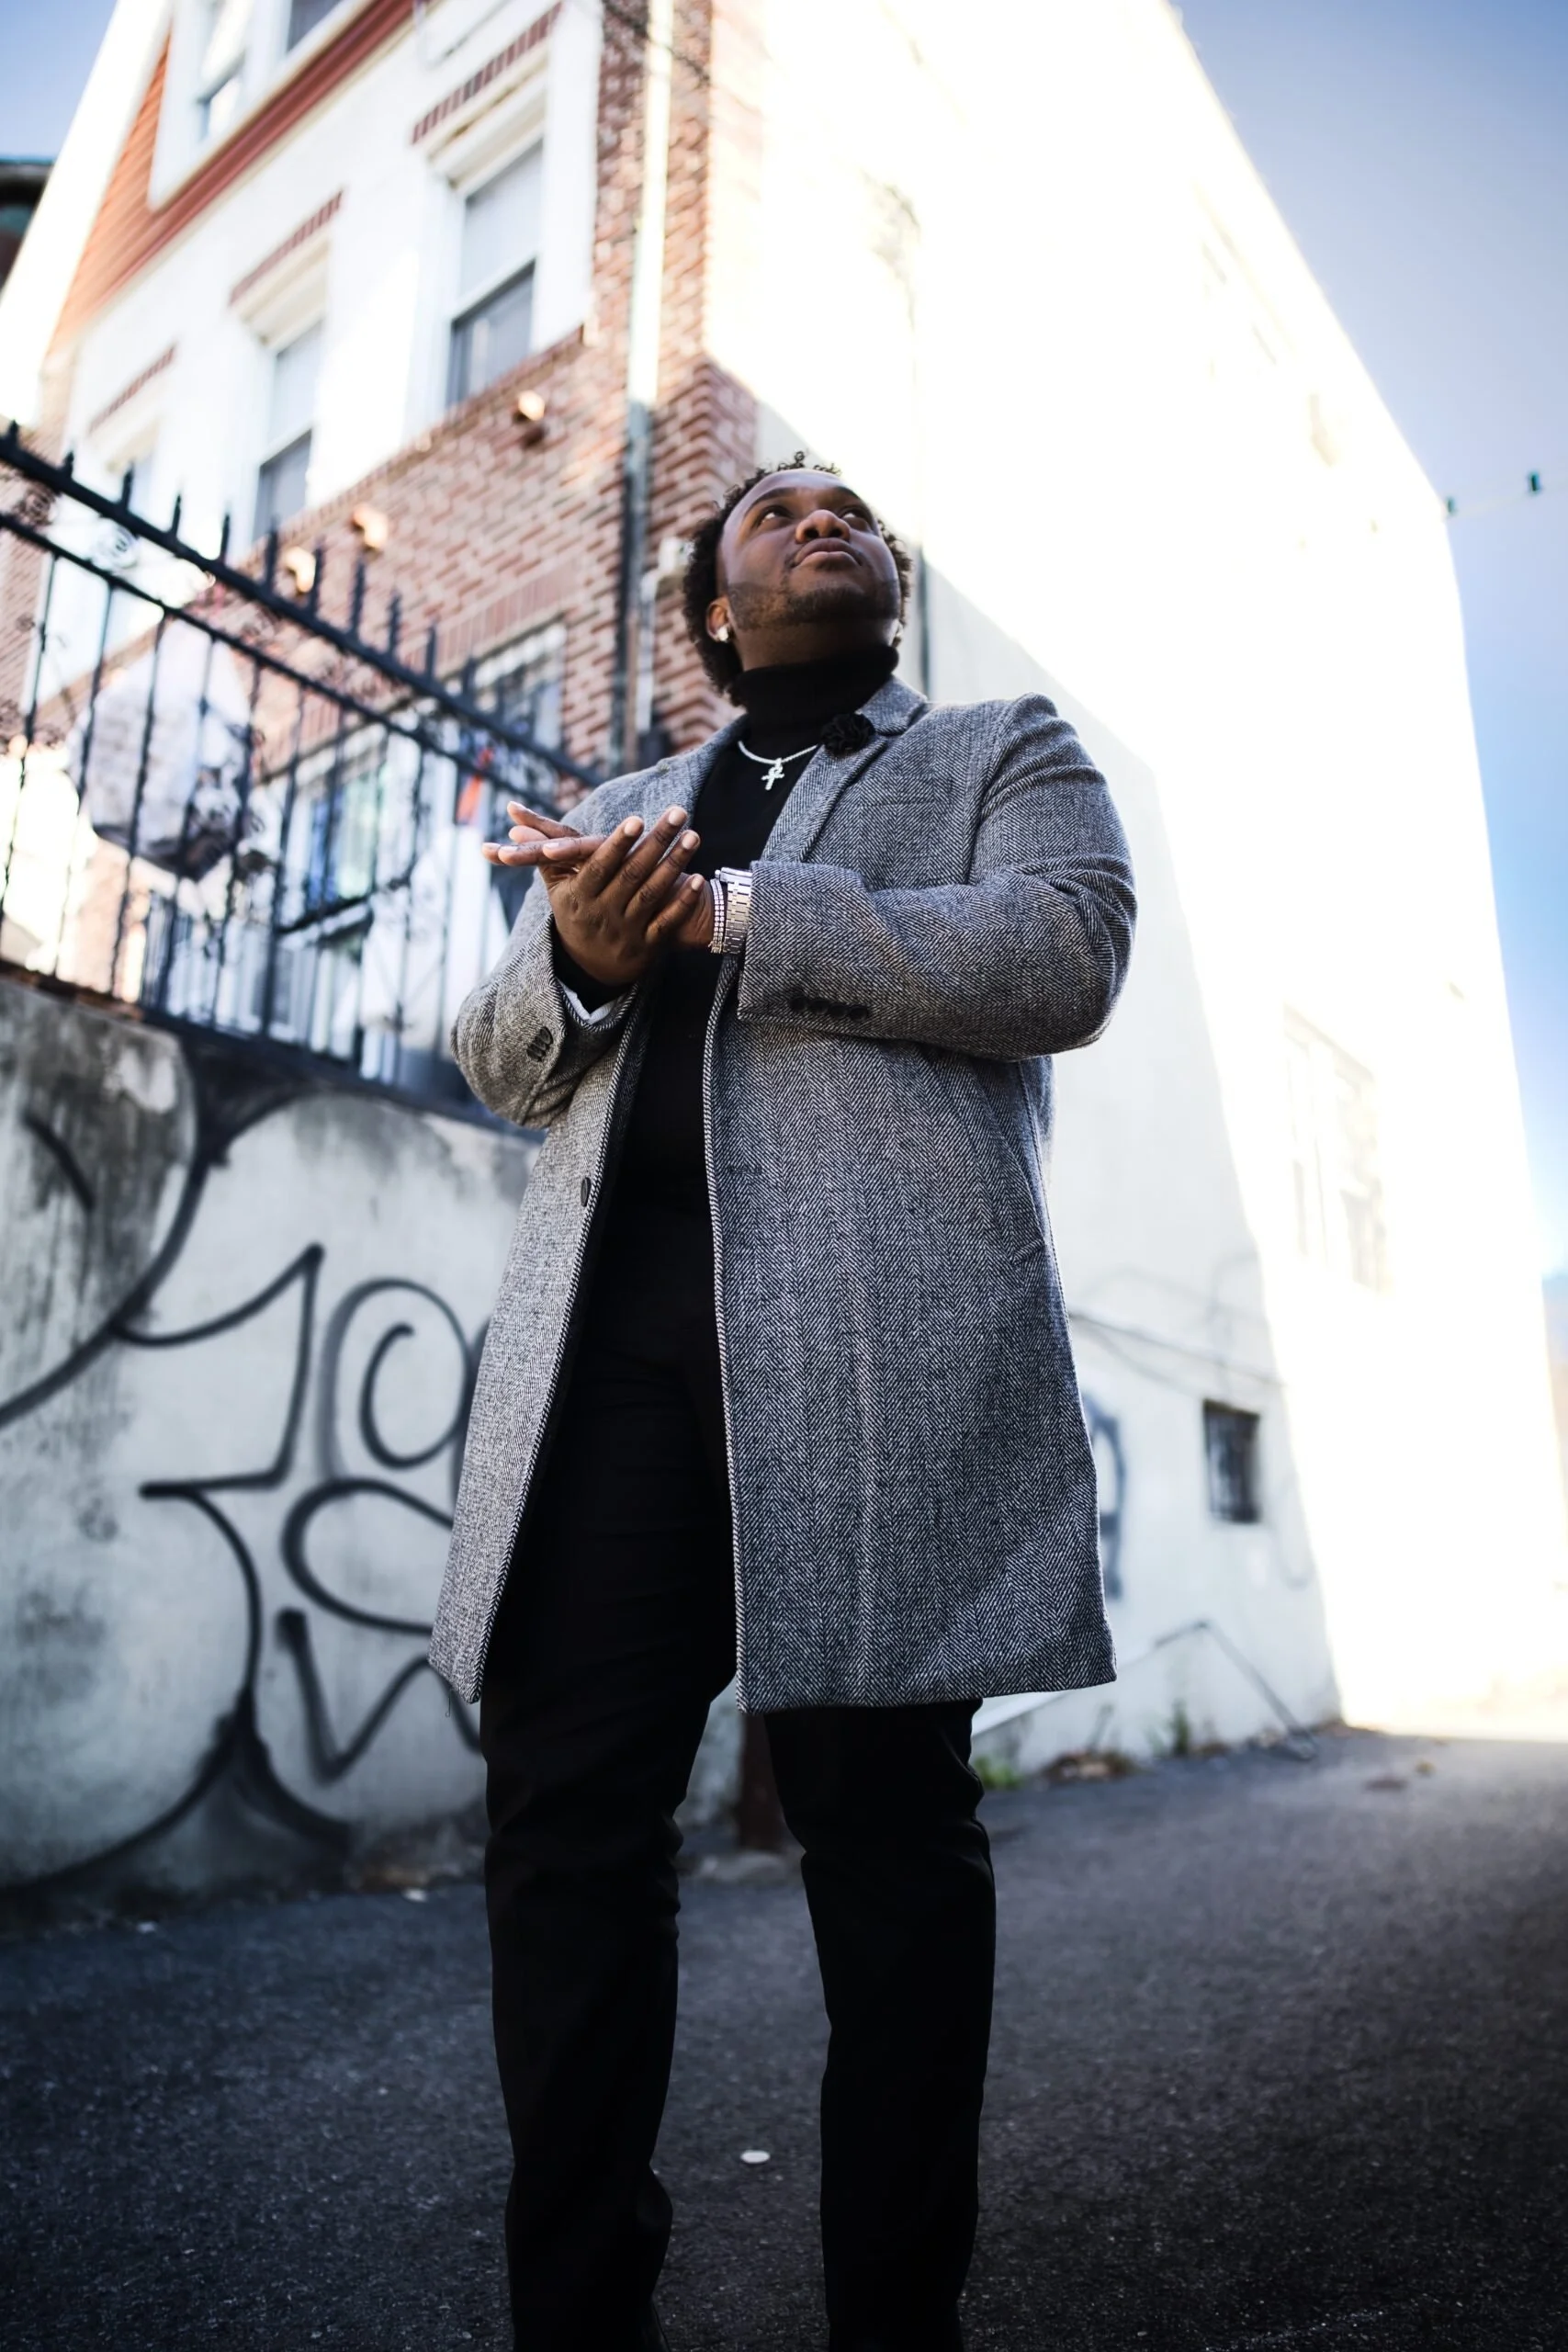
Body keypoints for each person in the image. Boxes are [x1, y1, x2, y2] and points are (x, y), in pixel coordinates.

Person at [429, 458, 1137, 2352]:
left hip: (880, 1344)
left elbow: (1062, 956)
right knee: (565, 1833)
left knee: (886, 1834)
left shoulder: (1001, 746)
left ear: (889, 585)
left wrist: (746, 914)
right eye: (774, 513)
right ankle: (579, 2316)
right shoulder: (613, 808)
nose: (825, 519)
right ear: (714, 612)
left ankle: (895, 2321)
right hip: (604, 1368)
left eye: (853, 511)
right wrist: (581, 957)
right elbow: (495, 1061)